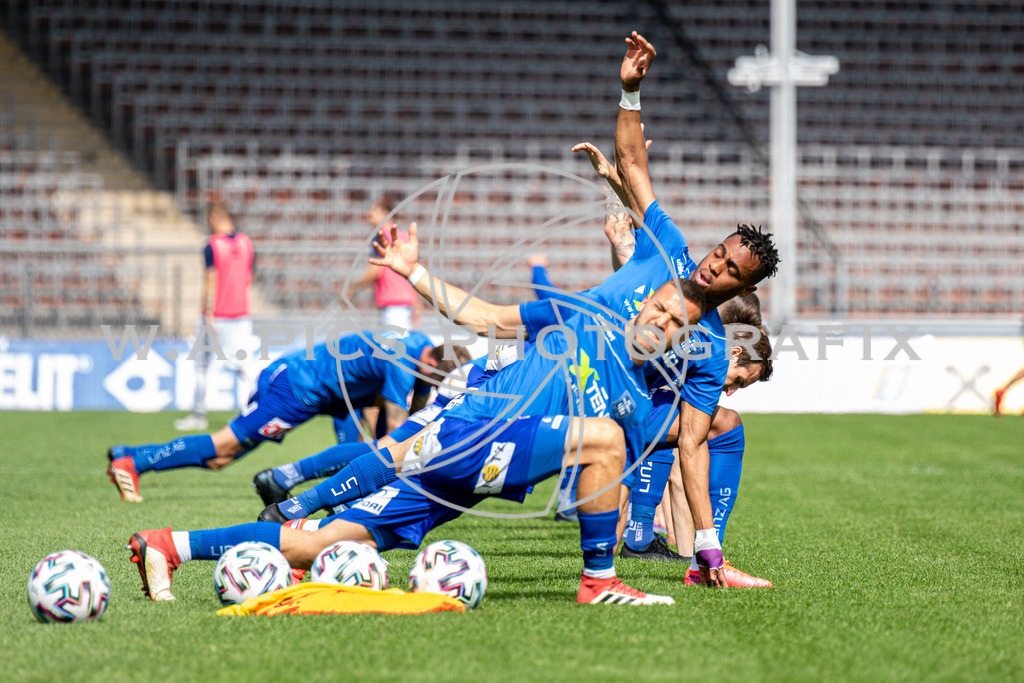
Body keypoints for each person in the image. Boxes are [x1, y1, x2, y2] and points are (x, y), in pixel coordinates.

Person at [127, 279, 706, 605]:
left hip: (472, 476)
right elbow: (485, 315)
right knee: (597, 437)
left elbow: (627, 468)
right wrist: (416, 271)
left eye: (674, 324)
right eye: (658, 307)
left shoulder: (643, 400)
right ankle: (598, 583)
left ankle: (170, 545)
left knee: (319, 545)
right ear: (641, 302)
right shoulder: (585, 318)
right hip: (477, 431)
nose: (659, 321)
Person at [106, 329, 461, 503]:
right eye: (434, 380)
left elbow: (408, 410)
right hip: (298, 386)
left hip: (334, 394)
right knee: (222, 450)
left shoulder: (419, 344)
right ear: (430, 362)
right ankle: (134, 464)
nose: (432, 387)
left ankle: (126, 453)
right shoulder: (402, 362)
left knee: (362, 451)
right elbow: (398, 429)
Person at [175, 202, 258, 432]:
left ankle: (199, 415)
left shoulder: (213, 246)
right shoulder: (247, 243)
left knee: (203, 365)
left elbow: (210, 281)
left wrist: (208, 313)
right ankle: (253, 413)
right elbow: (249, 278)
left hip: (217, 315)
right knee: (243, 365)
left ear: (213, 217)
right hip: (242, 314)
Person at [346, 196, 422, 331]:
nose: (369, 216)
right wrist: (418, 305)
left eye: (374, 212)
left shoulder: (382, 236)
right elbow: (417, 272)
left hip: (392, 305)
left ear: (386, 214)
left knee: (394, 342)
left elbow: (375, 270)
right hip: (406, 304)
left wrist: (353, 288)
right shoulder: (405, 236)